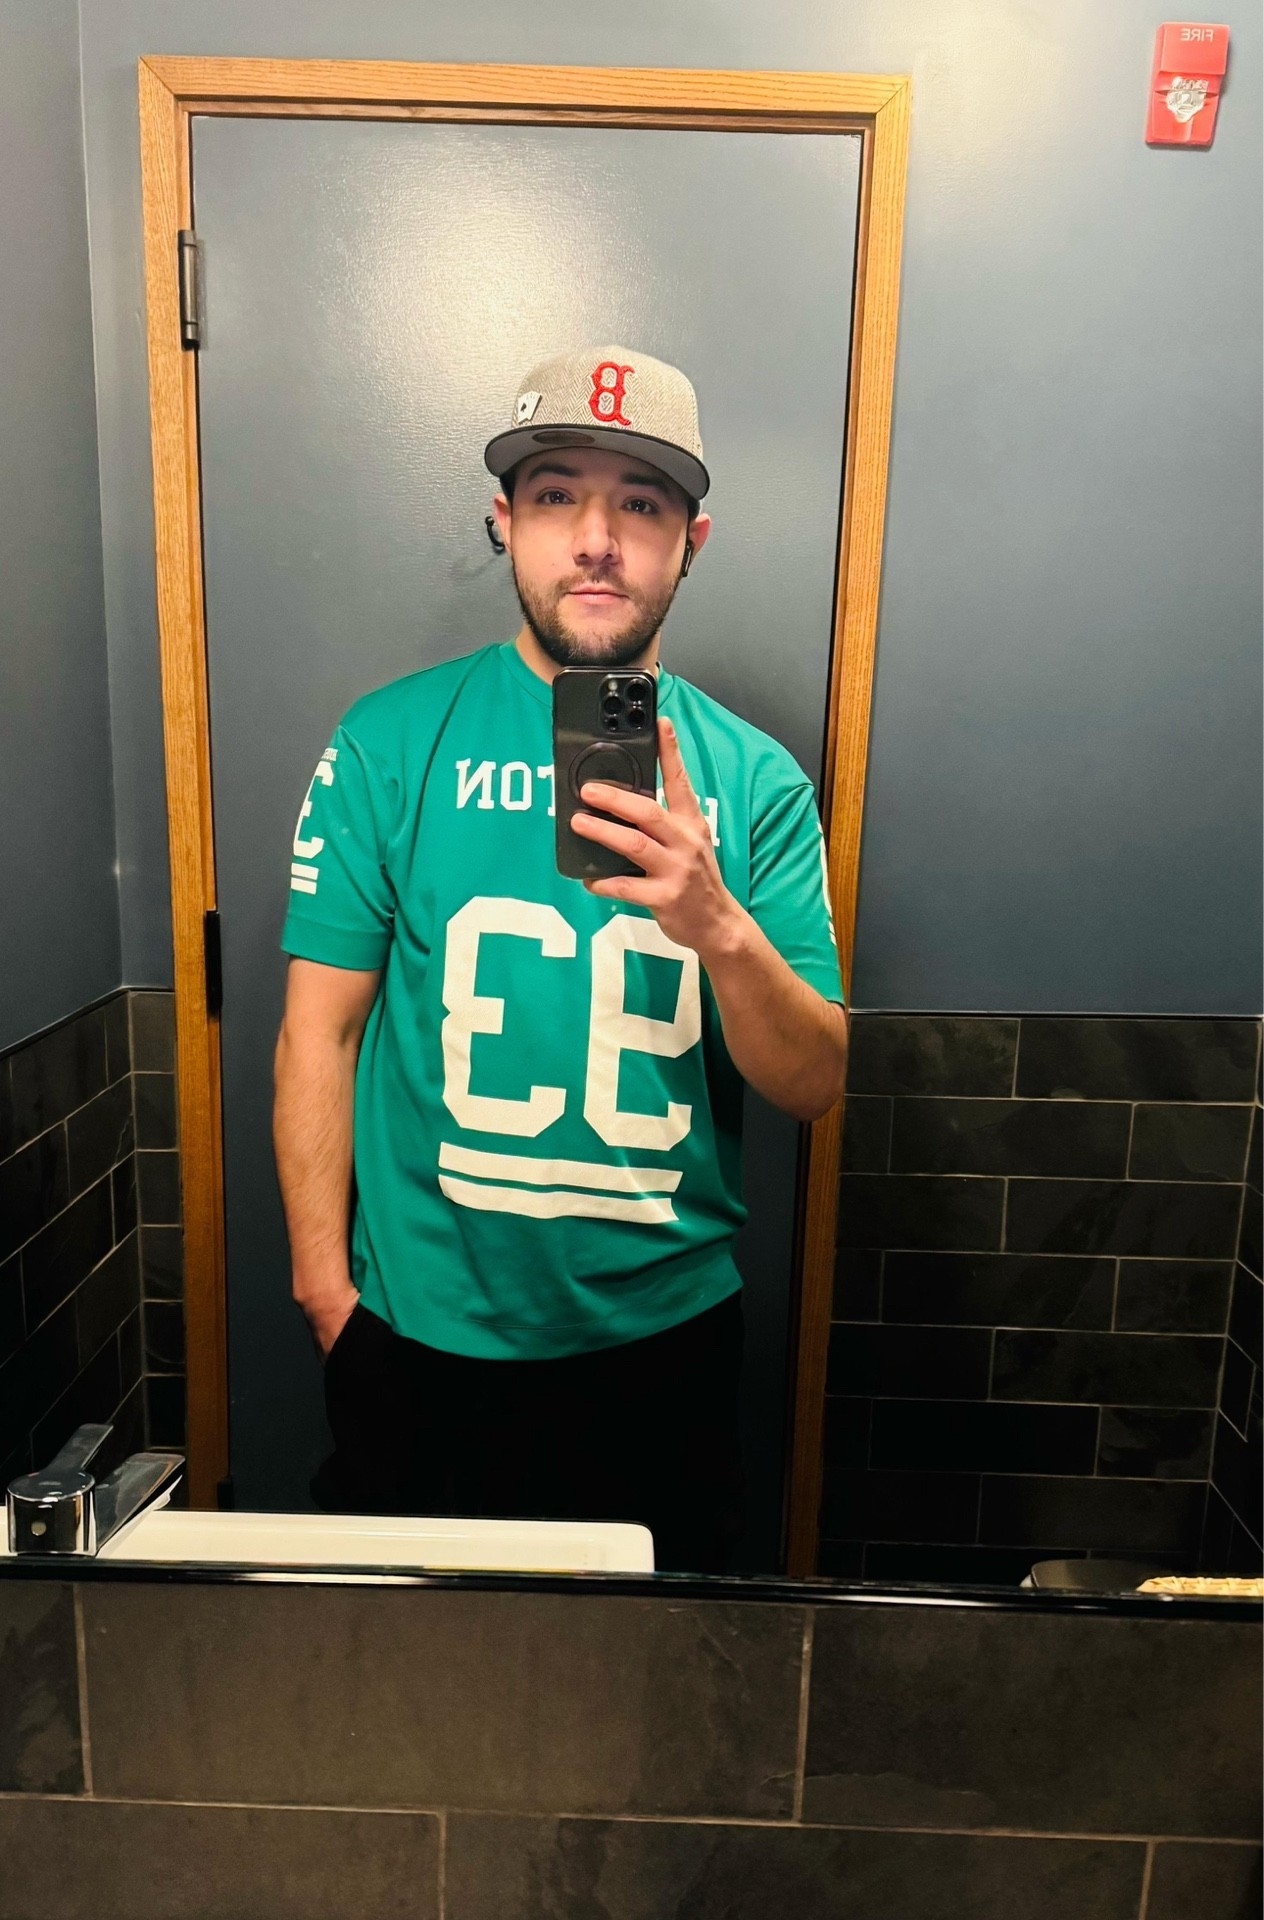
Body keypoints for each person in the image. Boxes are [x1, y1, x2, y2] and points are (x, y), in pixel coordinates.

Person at [273, 344, 847, 1571]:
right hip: (417, 1345)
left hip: (662, 1355)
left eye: (640, 503)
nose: (596, 540)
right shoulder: (388, 742)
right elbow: (320, 1030)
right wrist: (328, 1295)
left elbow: (812, 1083)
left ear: (690, 541)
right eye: (555, 496)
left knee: (652, 1683)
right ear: (505, 522)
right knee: (406, 1680)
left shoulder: (755, 782)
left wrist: (718, 925)